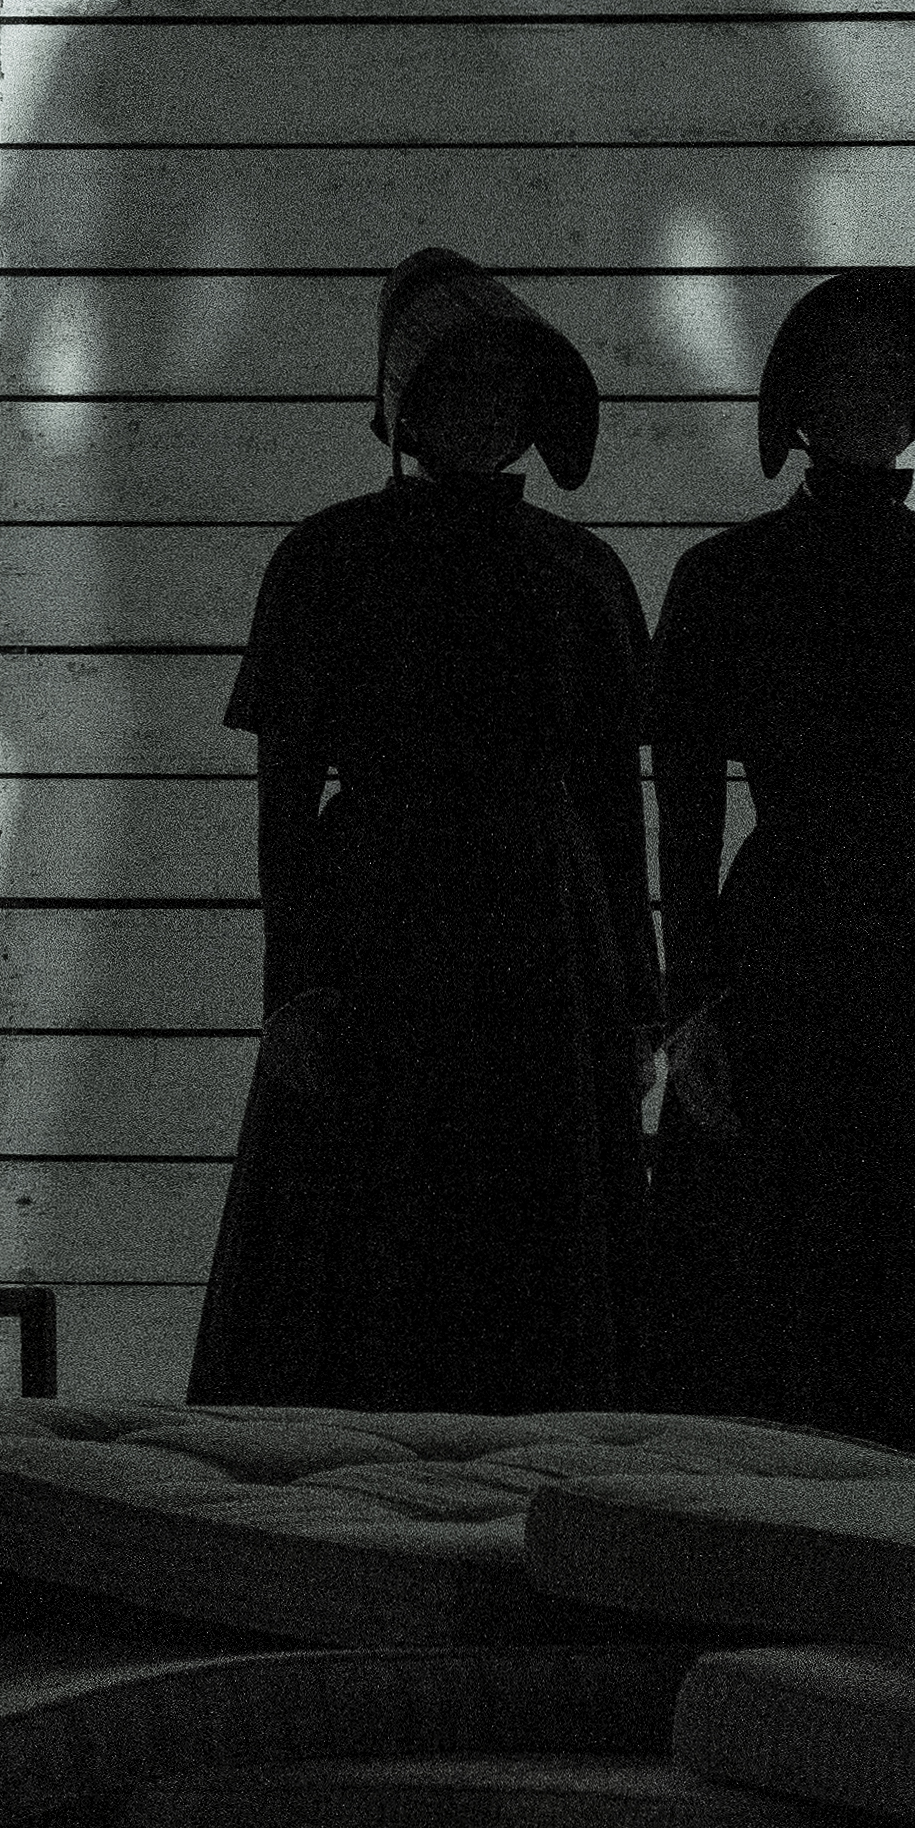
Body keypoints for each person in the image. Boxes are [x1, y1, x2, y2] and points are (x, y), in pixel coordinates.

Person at [188, 251, 655, 1412]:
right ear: (404, 407)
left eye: (504, 393)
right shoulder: (325, 561)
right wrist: (290, 990)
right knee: (362, 1247)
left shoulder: (580, 573)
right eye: (456, 391)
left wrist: (638, 998)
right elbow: (282, 803)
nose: (481, 416)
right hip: (378, 930)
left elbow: (612, 801)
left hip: (545, 940)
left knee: (536, 1245)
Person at [640, 269, 915, 1475]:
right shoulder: (725, 580)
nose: (868, 395)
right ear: (795, 395)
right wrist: (689, 1006)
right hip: (786, 957)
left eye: (890, 371)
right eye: (843, 370)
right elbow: (678, 816)